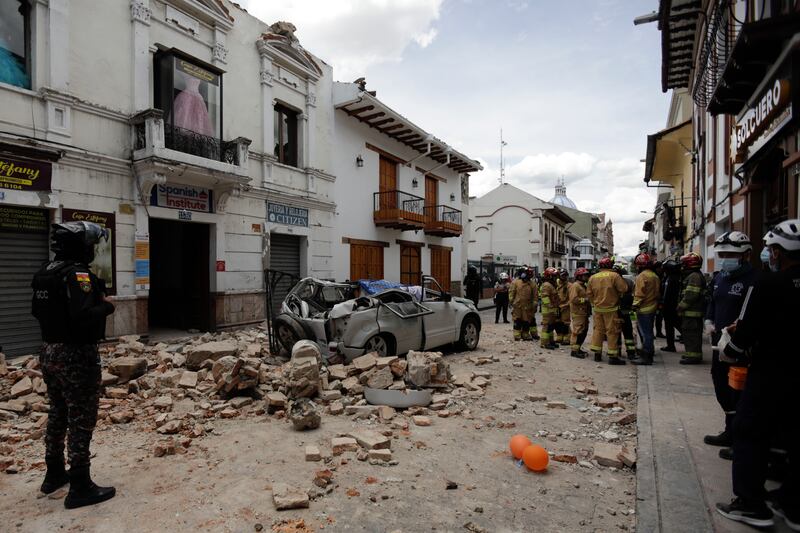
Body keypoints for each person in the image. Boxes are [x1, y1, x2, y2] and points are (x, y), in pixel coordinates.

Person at [715, 220, 800, 529]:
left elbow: (746, 331)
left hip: (771, 374)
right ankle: (792, 505)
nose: (769, 254)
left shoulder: (766, 284)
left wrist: (731, 350)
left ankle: (751, 504)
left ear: (779, 251)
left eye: (771, 249)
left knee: (749, 432)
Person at [31, 221, 116, 509]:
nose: (92, 249)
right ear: (80, 246)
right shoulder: (78, 274)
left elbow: (36, 311)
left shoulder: (47, 272)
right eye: (90, 245)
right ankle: (80, 485)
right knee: (81, 417)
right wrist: (106, 306)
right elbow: (83, 316)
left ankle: (54, 473)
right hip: (76, 354)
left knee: (58, 411)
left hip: (49, 351)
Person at [703, 232, 757, 454]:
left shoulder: (754, 280)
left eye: (730, 254)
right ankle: (729, 430)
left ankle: (740, 440)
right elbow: (713, 303)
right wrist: (709, 320)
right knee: (721, 386)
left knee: (740, 392)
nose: (725, 258)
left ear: (745, 255)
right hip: (720, 345)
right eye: (722, 254)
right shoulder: (719, 278)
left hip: (742, 348)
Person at [587, 257, 628, 364]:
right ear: (610, 265)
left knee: (598, 331)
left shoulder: (593, 277)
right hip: (611, 309)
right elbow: (624, 289)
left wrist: (594, 303)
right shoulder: (614, 276)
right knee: (612, 332)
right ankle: (613, 356)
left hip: (598, 309)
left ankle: (597, 354)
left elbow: (589, 294)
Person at [630, 253, 660, 365]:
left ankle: (646, 357)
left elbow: (639, 294)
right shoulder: (654, 275)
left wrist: (634, 306)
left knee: (645, 333)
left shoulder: (642, 276)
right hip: (652, 307)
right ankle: (648, 353)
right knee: (649, 332)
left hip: (644, 309)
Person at [676, 252, 705, 364]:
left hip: (692, 312)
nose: (682, 266)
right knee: (689, 334)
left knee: (692, 335)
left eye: (684, 264)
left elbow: (691, 295)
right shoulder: (694, 275)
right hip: (690, 313)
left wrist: (680, 306)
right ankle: (690, 354)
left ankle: (694, 357)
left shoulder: (694, 277)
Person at [614, 264, 637, 359]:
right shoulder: (629, 282)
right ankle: (631, 353)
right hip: (626, 312)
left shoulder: (611, 283)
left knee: (617, 333)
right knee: (627, 333)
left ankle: (618, 351)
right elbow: (633, 296)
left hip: (616, 312)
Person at [568, 267, 591, 359]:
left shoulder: (583, 286)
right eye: (584, 275)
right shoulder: (575, 286)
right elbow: (573, 299)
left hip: (583, 312)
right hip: (578, 312)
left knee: (583, 331)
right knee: (577, 331)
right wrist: (585, 300)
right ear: (579, 276)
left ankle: (578, 348)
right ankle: (574, 351)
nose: (586, 277)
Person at [509, 268, 537, 341]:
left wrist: (534, 305)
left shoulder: (532, 284)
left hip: (528, 307)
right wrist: (511, 302)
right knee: (517, 320)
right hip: (518, 305)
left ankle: (525, 334)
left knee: (526, 321)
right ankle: (517, 335)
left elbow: (535, 296)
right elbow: (512, 292)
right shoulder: (516, 282)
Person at [660, 259, 681, 352]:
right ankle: (670, 345)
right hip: (668, 306)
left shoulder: (673, 279)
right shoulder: (669, 278)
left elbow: (670, 294)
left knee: (673, 325)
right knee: (670, 326)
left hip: (671, 307)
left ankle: (671, 345)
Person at [539, 267, 560, 349]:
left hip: (552, 310)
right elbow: (544, 297)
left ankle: (550, 341)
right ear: (550, 276)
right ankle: (544, 343)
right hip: (548, 310)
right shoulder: (547, 285)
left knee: (551, 326)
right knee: (547, 326)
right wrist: (550, 306)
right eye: (554, 276)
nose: (556, 278)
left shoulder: (551, 285)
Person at [555, 269, 571, 344]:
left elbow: (571, 298)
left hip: (565, 307)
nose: (564, 277)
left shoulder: (569, 286)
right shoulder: (556, 284)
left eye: (565, 275)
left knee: (565, 323)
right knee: (557, 322)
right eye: (562, 275)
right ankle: (559, 336)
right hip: (557, 306)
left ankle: (566, 337)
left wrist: (566, 305)